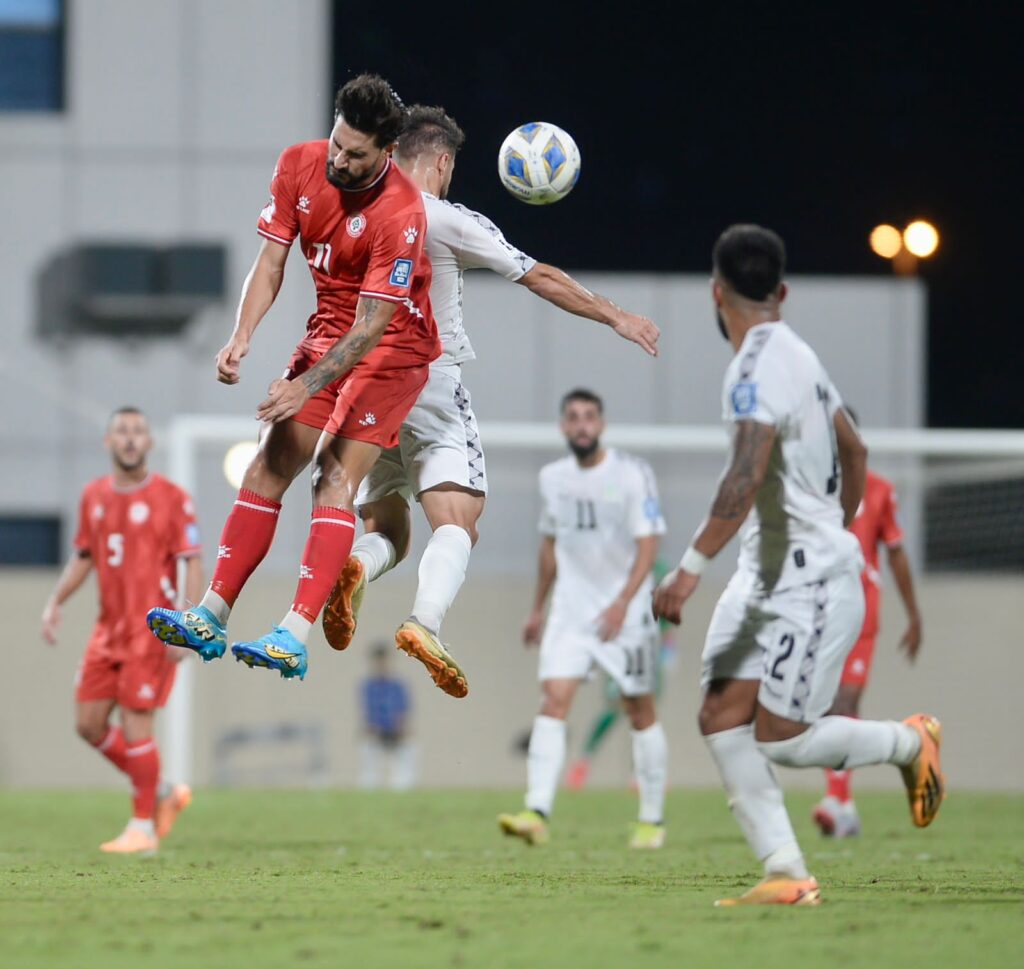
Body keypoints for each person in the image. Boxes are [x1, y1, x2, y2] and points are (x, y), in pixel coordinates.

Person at [320, 105, 660, 700]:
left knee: (388, 525)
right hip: (428, 379)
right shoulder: (444, 217)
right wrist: (615, 315)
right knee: (458, 522)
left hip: (362, 384)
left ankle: (359, 564)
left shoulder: (356, 211)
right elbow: (538, 275)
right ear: (441, 162)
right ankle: (425, 622)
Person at [652, 224, 944, 906]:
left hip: (805, 579)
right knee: (721, 713)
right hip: (767, 570)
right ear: (781, 293)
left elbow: (745, 473)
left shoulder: (752, 369)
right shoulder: (800, 353)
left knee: (784, 738)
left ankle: (908, 742)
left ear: (716, 292)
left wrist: (690, 568)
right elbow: (856, 449)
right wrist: (835, 521)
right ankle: (786, 869)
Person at [146, 75, 442, 682]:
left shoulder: (402, 212)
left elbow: (371, 327)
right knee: (268, 464)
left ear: (387, 152)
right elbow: (271, 262)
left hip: (392, 351)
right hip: (328, 333)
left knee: (332, 474)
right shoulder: (299, 165)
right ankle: (210, 616)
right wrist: (242, 335)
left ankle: (293, 634)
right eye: (337, 143)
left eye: (356, 155)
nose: (340, 160)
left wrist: (304, 387)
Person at [498, 389, 669, 849]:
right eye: (573, 417)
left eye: (589, 417)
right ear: (563, 427)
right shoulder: (553, 478)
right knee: (553, 701)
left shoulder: (631, 474)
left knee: (639, 709)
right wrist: (537, 607)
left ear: (602, 424)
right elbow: (549, 544)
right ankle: (536, 811)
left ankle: (652, 818)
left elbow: (649, 543)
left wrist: (623, 602)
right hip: (570, 613)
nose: (581, 425)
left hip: (624, 616)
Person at [41, 407, 202, 854]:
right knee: (88, 724)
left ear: (149, 442)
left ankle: (142, 828)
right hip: (107, 630)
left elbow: (192, 561)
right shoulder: (93, 495)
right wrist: (55, 601)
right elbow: (84, 556)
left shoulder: (172, 497)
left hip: (151, 629)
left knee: (136, 726)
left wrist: (187, 624)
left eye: (138, 432)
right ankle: (164, 791)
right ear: (108, 442)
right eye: (122, 432)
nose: (130, 439)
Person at [813, 414, 923, 837]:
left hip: (860, 614)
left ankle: (837, 799)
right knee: (822, 708)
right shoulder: (809, 488)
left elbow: (896, 553)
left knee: (845, 700)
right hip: (815, 613)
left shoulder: (879, 490)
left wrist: (914, 615)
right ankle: (844, 804)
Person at [565, 560, 677, 790]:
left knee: (647, 711)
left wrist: (669, 647)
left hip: (649, 649)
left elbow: (666, 612)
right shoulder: (618, 563)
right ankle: (584, 760)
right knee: (615, 706)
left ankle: (641, 773)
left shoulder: (660, 571)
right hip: (620, 646)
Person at [358, 642, 416, 790]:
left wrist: (401, 728)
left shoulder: (398, 686)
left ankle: (403, 790)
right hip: (376, 733)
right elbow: (368, 712)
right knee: (369, 756)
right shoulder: (369, 687)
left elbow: (403, 711)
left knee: (409, 752)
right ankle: (369, 790)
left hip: (396, 732)